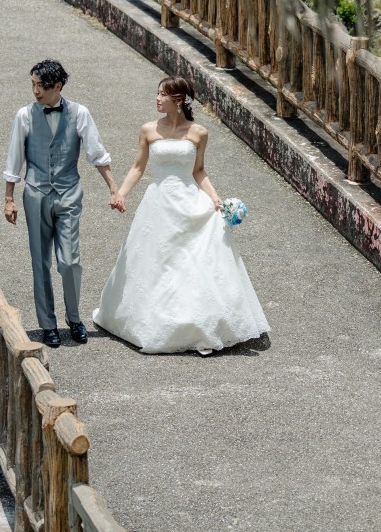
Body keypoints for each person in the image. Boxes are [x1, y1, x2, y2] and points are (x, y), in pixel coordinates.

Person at [92, 75, 269, 355]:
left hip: (189, 200)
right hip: (159, 202)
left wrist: (214, 197)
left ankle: (195, 321)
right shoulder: (149, 130)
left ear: (178, 100)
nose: (157, 98)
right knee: (157, 261)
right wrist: (122, 193)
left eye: (163, 94)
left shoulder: (198, 133)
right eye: (158, 92)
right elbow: (138, 166)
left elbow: (198, 170)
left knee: (192, 261)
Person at [3, 60, 118, 348]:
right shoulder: (24, 115)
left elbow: (96, 153)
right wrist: (9, 198)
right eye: (32, 85)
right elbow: (14, 158)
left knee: (69, 262)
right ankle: (47, 324)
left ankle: (74, 318)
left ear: (58, 86)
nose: (35, 91)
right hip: (35, 193)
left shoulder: (80, 113)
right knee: (40, 261)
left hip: (68, 193)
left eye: (41, 86)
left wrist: (114, 189)